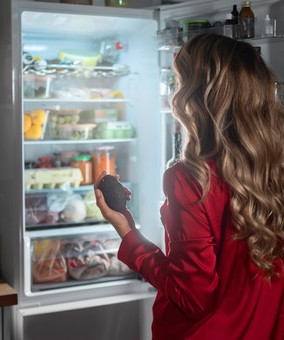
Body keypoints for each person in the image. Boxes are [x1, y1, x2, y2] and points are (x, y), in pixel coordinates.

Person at [94, 33, 284, 340]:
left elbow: (193, 298)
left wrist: (128, 232)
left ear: (197, 98)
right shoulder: (276, 167)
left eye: (180, 83)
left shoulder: (191, 178)